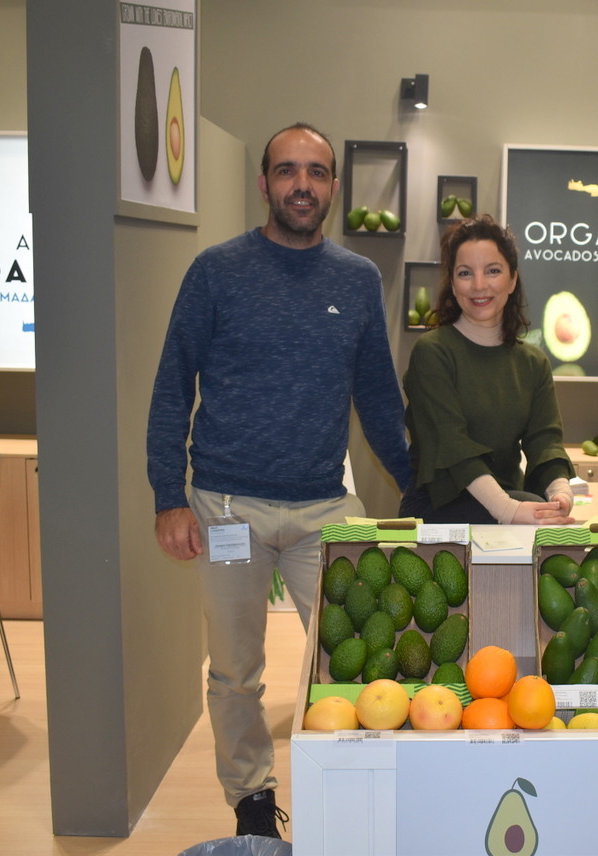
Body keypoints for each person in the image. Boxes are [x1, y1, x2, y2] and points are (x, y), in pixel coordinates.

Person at [146, 122, 411, 838]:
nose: (302, 184)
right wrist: (169, 497)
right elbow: (172, 386)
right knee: (235, 672)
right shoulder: (216, 271)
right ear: (264, 183)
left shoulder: (357, 279)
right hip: (227, 508)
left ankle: (357, 796)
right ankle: (254, 809)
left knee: (363, 658)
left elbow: (379, 401)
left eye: (316, 172)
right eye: (288, 170)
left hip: (326, 507)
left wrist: (419, 486)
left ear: (333, 187)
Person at [399, 215, 576, 525]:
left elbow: (544, 440)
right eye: (465, 273)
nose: (479, 285)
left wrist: (560, 493)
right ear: (453, 284)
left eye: (493, 271)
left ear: (512, 279)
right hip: (439, 507)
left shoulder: (533, 363)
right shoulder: (432, 353)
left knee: (543, 513)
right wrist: (509, 510)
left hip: (509, 500)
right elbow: (452, 445)